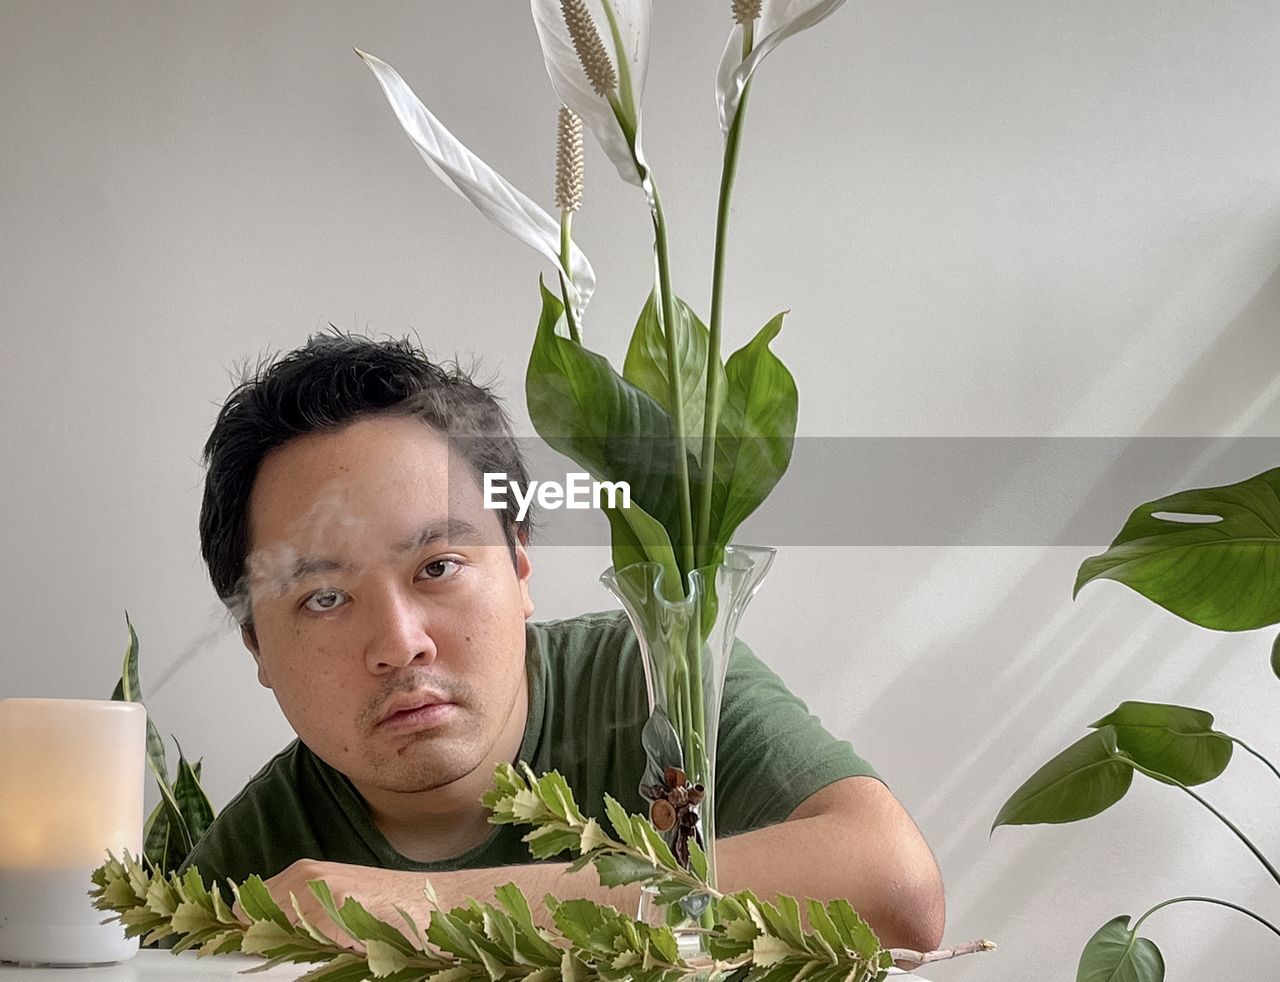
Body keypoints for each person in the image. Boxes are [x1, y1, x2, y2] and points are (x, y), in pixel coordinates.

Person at [183, 331, 944, 952]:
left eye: (438, 566)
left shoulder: (655, 676)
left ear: (518, 564)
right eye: (324, 597)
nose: (400, 642)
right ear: (256, 646)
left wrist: (426, 907)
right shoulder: (248, 871)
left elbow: (897, 892)